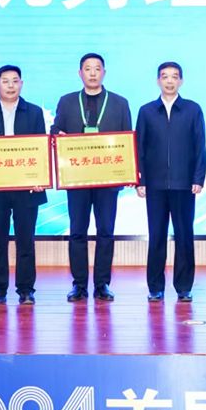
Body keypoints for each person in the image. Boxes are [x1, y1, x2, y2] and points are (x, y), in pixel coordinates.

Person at [52, 53, 133, 303]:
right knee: (77, 231)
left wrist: (128, 172)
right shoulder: (67, 102)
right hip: (77, 178)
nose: (93, 73)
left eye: (97, 68)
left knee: (105, 231)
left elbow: (128, 140)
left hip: (108, 181)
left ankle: (102, 284)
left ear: (104, 72)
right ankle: (79, 285)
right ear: (80, 73)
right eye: (88, 69)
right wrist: (58, 136)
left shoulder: (120, 103)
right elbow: (54, 131)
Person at [0, 65, 47, 305]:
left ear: (21, 84)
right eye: (5, 81)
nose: (11, 85)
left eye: (15, 81)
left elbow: (41, 149)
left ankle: (26, 290)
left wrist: (41, 178)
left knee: (26, 241)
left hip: (27, 189)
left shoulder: (34, 112)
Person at [136, 61, 206, 302]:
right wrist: (140, 180)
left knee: (185, 236)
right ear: (158, 81)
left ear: (181, 81)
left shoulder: (192, 109)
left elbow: (200, 146)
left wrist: (198, 178)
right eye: (164, 76)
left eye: (174, 77)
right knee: (156, 236)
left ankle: (184, 287)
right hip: (155, 185)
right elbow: (139, 148)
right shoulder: (146, 111)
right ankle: (155, 287)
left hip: (184, 184)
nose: (169, 81)